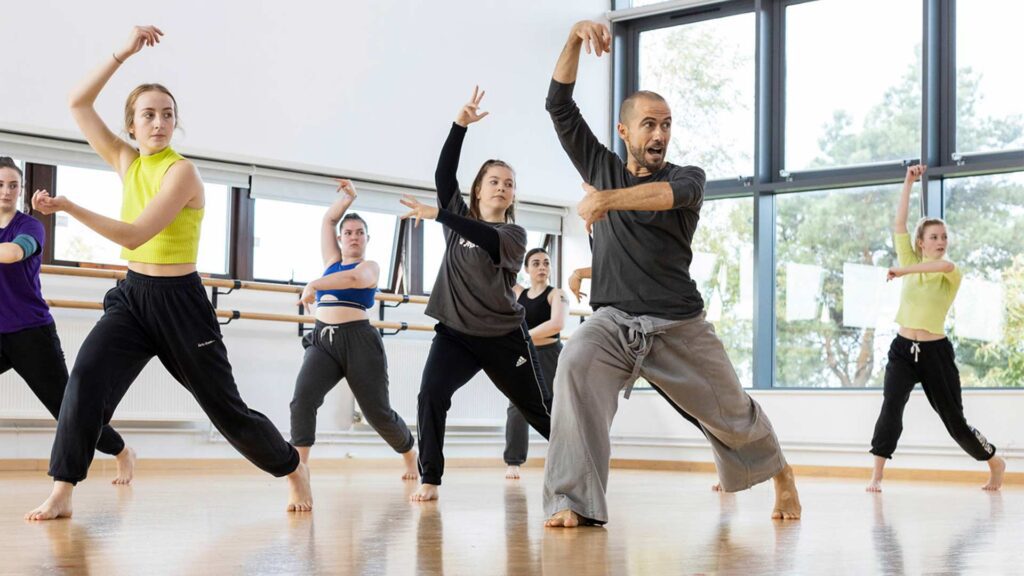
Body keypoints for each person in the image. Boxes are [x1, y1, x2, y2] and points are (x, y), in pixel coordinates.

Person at [25, 25, 310, 521]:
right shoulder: (125, 159)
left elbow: (136, 234)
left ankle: (291, 467)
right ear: (131, 125)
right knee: (85, 380)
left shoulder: (182, 172)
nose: (158, 122)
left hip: (180, 304)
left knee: (225, 408)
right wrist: (122, 53)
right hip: (133, 299)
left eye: (167, 115)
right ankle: (63, 489)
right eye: (147, 115)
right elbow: (78, 103)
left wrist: (68, 206)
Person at [542, 20, 801, 528]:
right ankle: (574, 501)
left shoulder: (686, 178)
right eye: (649, 125)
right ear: (624, 131)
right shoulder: (602, 165)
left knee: (731, 413)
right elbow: (558, 105)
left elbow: (665, 198)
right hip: (614, 322)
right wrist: (573, 39)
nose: (659, 134)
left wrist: (603, 199)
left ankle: (783, 473)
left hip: (678, 325)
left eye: (666, 125)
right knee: (573, 363)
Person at [399, 87, 552, 502]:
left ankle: (579, 464)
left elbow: (484, 237)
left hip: (504, 339)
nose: (502, 187)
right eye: (494, 181)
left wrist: (441, 215)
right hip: (456, 336)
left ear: (513, 195)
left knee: (542, 412)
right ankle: (430, 476)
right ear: (479, 189)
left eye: (509, 184)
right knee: (431, 393)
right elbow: (443, 178)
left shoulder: (513, 235)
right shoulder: (457, 219)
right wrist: (459, 126)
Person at [866, 164, 1005, 492]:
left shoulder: (949, 269)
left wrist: (901, 271)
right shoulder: (910, 259)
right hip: (902, 349)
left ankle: (993, 462)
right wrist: (908, 182)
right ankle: (877, 475)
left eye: (944, 236)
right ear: (921, 242)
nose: (941, 241)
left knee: (953, 420)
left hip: (935, 354)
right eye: (934, 237)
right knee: (891, 407)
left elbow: (942, 265)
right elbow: (899, 221)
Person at [1, 157, 137, 485]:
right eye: (0, 185)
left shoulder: (29, 227)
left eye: (13, 185)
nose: (6, 191)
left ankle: (121, 451)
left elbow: (12, 254)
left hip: (31, 334)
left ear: (21, 190)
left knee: (68, 411)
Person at [291, 179, 418, 480]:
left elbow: (354, 281)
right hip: (324, 341)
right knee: (303, 399)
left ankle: (411, 454)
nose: (353, 237)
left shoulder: (369, 267)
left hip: (359, 342)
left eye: (360, 233)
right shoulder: (331, 262)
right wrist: (349, 198)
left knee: (377, 414)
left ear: (367, 238)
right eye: (348, 233)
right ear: (341, 237)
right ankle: (299, 471)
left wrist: (313, 284)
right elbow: (328, 219)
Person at [504, 248, 566, 479]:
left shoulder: (557, 294)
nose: (542, 267)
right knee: (516, 406)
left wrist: (525, 336)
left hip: (552, 355)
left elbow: (556, 324)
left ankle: (565, 454)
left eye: (546, 263)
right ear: (527, 269)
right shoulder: (518, 292)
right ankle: (513, 461)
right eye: (536, 263)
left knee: (557, 406)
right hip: (527, 354)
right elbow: (497, 271)